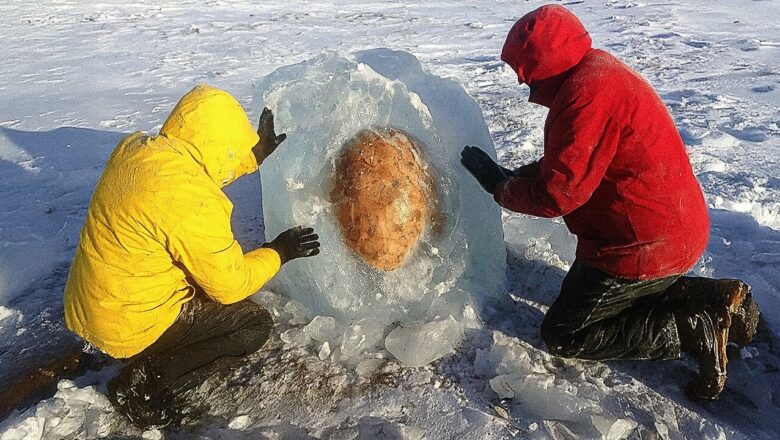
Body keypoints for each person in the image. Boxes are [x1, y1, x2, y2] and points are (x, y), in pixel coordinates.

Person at [460, 5, 760, 400]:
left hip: (640, 246)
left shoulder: (584, 97)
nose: (521, 80)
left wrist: (502, 188)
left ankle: (691, 328)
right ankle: (715, 298)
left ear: (545, 64)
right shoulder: (597, 72)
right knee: (618, 300)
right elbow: (573, 159)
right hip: (675, 228)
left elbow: (560, 193)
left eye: (525, 69)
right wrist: (521, 176)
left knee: (565, 333)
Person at [63, 85, 320, 427]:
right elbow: (231, 285)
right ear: (219, 145)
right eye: (234, 148)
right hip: (130, 327)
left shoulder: (136, 150)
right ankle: (145, 382)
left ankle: (141, 355)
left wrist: (251, 157)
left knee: (193, 270)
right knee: (252, 324)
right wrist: (279, 251)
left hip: (90, 309)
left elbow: (200, 168)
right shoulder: (192, 202)